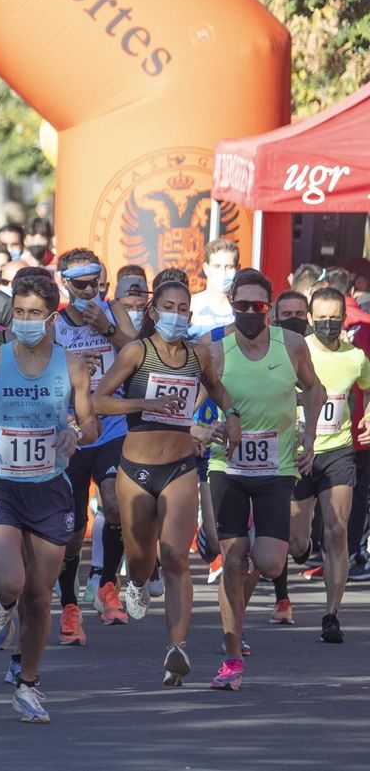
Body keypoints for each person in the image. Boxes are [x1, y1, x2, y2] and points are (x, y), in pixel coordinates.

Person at [0, 271, 98, 723]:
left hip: (51, 489)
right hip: (4, 486)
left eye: (35, 313)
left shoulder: (72, 366)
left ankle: (28, 684)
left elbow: (90, 424)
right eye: (18, 312)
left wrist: (75, 433)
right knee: (12, 583)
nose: (25, 320)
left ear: (51, 317)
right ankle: (2, 603)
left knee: (40, 595)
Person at [89, 277, 236, 687]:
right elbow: (99, 400)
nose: (176, 314)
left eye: (183, 308)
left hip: (180, 467)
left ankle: (177, 648)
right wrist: (144, 403)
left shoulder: (197, 354)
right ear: (154, 312)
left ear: (190, 313)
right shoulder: (138, 350)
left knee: (175, 555)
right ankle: (136, 579)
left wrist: (233, 413)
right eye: (168, 306)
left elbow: (217, 388)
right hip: (135, 468)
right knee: (142, 560)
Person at [203, 268, 325, 687]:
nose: (251, 313)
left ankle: (248, 555)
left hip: (276, 467)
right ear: (231, 305)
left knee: (272, 562)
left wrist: (308, 436)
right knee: (233, 559)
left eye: (258, 306)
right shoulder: (214, 347)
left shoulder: (290, 344)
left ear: (269, 308)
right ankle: (232, 660)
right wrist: (206, 428)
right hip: (228, 466)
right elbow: (193, 401)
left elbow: (315, 389)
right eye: (243, 306)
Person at [50, 249, 134, 644]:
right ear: (64, 283)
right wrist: (67, 366)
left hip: (111, 427)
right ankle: (68, 603)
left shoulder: (114, 311)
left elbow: (140, 355)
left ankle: (105, 584)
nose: (88, 291)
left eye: (95, 283)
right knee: (71, 529)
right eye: (80, 284)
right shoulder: (54, 324)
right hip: (69, 431)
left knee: (116, 503)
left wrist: (109, 329)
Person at [285, 286, 370, 638]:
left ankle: (331, 615)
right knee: (297, 541)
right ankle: (303, 547)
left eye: (336, 318)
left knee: (336, 531)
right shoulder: (296, 352)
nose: (329, 324)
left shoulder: (355, 357)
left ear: (343, 318)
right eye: (322, 318)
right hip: (298, 453)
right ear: (309, 319)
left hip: (337, 451)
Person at [188, 239, 240, 340]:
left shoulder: (243, 308)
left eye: (229, 267)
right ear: (206, 268)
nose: (223, 272)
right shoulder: (192, 305)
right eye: (217, 266)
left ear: (237, 269)